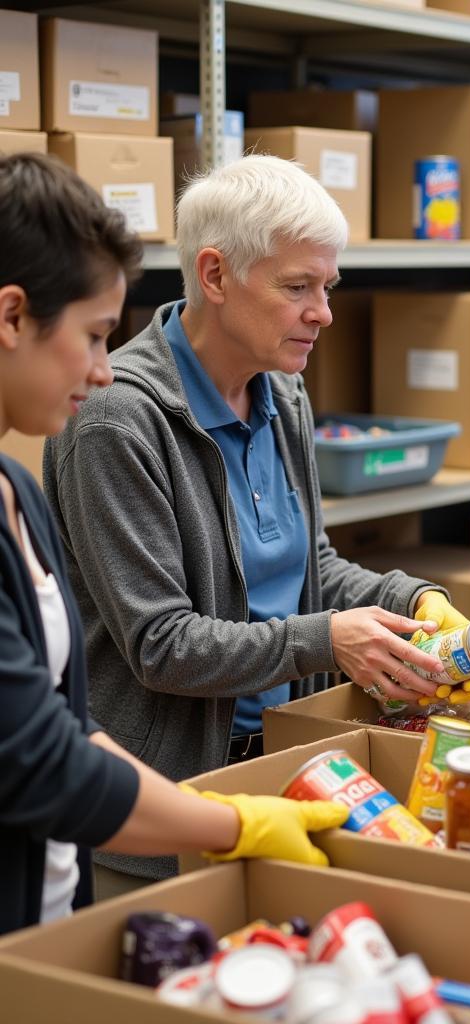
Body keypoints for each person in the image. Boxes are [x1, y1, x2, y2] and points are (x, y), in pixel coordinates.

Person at [43, 155, 470, 895]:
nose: (324, 313)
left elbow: (310, 567)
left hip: (287, 764)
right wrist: (327, 639)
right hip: (168, 809)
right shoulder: (116, 421)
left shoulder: (283, 393)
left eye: (328, 287)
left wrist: (409, 599)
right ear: (214, 275)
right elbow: (162, 645)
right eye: (297, 287)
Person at [0, 152, 347, 936]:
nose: (99, 370)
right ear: (13, 316)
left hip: (109, 842)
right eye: (92, 336)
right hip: (138, 829)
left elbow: (63, 725)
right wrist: (228, 826)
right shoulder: (116, 419)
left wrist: (403, 603)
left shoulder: (14, 491)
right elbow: (58, 743)